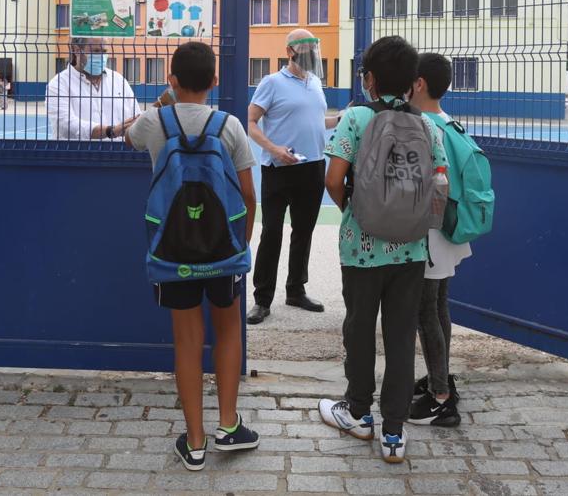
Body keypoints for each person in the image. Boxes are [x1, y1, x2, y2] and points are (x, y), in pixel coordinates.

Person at [126, 41, 260, 470]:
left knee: (186, 341)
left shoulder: (155, 122)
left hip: (172, 249)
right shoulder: (229, 126)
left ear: (173, 79)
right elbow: (247, 194)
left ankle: (196, 442)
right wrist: (242, 244)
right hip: (224, 250)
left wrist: (165, 99)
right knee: (228, 330)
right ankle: (228, 425)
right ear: (215, 81)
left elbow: (129, 135)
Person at [316, 36, 447, 464]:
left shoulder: (355, 118)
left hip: (361, 249)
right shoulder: (428, 125)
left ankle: (357, 413)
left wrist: (356, 211)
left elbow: (334, 178)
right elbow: (439, 186)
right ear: (414, 82)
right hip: (410, 251)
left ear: (369, 79)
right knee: (400, 335)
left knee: (358, 329)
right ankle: (393, 432)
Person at [245, 29, 341, 325]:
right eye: (306, 47)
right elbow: (250, 121)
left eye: (314, 47)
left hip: (312, 166)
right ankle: (262, 299)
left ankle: (296, 290)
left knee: (303, 231)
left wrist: (339, 119)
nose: (312, 52)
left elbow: (315, 121)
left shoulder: (315, 83)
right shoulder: (272, 83)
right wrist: (274, 149)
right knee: (271, 232)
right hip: (278, 168)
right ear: (290, 51)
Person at [407, 53, 469, 427]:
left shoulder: (422, 126)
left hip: (430, 232)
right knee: (439, 306)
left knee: (424, 313)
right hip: (447, 229)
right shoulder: (448, 122)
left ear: (418, 84)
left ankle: (441, 399)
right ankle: (440, 378)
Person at [45, 37, 140, 140]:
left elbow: (135, 116)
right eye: (95, 51)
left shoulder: (118, 80)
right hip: (78, 153)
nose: (101, 56)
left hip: (117, 153)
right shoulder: (59, 83)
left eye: (104, 51)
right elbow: (66, 124)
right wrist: (110, 131)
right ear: (77, 50)